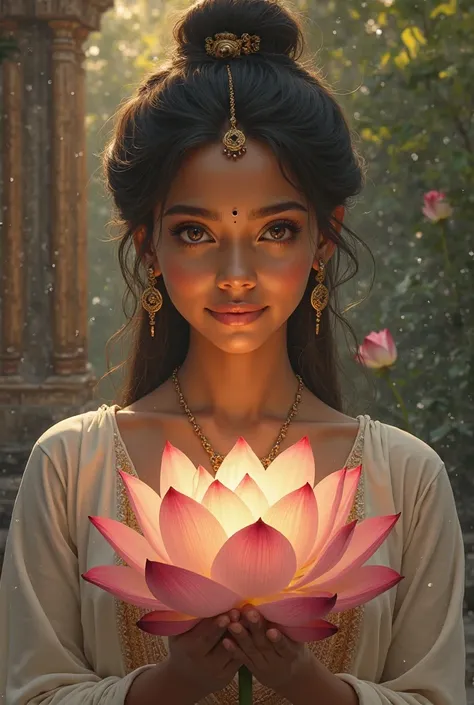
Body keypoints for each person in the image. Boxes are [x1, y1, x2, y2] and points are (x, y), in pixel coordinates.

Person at [0, 0, 467, 703]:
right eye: (195, 232)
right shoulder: (72, 467)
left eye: (277, 229)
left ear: (325, 239)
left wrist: (309, 684)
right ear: (146, 245)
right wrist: (171, 682)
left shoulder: (407, 478)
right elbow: (30, 692)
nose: (237, 271)